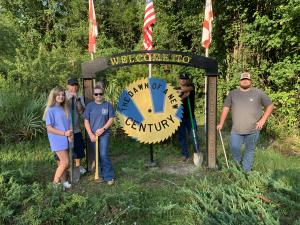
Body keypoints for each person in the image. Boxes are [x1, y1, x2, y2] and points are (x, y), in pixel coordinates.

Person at [217, 72, 273, 172]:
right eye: (243, 79)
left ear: (250, 81)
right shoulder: (233, 93)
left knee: (249, 151)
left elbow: (270, 105)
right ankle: (237, 170)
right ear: (240, 81)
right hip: (236, 130)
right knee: (234, 149)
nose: (245, 81)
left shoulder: (258, 92)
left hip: (253, 130)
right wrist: (221, 123)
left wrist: (263, 120)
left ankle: (246, 172)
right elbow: (226, 108)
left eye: (247, 79)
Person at [84, 86, 115, 185]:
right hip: (93, 135)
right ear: (93, 95)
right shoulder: (90, 106)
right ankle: (99, 174)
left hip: (104, 134)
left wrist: (103, 129)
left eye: (100, 94)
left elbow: (111, 119)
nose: (98, 96)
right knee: (97, 155)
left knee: (103, 154)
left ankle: (109, 176)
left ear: (103, 94)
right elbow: (86, 120)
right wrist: (90, 134)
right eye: (96, 94)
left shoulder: (108, 105)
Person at [43, 86, 73, 189]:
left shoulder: (64, 108)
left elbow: (69, 123)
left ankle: (63, 182)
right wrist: (65, 133)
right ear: (54, 96)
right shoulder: (50, 110)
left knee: (63, 163)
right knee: (65, 162)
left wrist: (70, 135)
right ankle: (55, 184)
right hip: (57, 139)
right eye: (58, 95)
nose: (61, 96)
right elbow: (49, 129)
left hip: (66, 138)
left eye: (62, 95)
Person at [176, 72, 201, 162]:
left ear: (187, 80)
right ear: (179, 80)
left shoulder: (191, 87)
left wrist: (182, 91)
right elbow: (174, 102)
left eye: (185, 79)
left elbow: (190, 88)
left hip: (190, 117)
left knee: (193, 135)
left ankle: (197, 152)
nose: (183, 80)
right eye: (182, 78)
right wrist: (183, 97)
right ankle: (185, 155)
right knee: (182, 136)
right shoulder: (175, 90)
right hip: (180, 117)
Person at [65, 78, 86, 175]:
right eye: (72, 85)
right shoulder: (62, 95)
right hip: (65, 129)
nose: (74, 87)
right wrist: (68, 99)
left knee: (78, 149)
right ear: (67, 86)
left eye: (75, 85)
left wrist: (77, 100)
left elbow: (82, 112)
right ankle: (67, 167)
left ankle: (78, 167)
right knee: (66, 150)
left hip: (76, 129)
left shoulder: (80, 97)